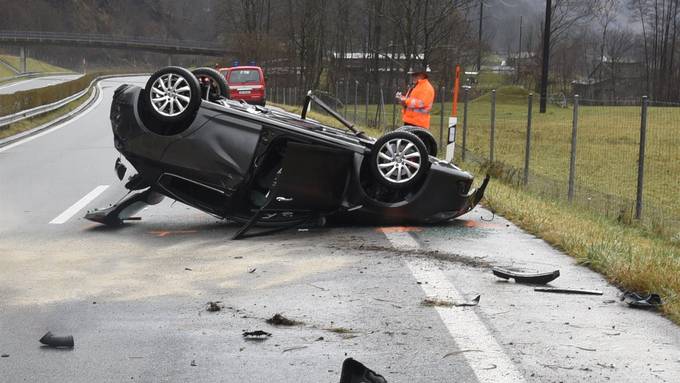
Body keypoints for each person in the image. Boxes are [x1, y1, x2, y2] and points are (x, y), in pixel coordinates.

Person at [395, 64, 435, 129]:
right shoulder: (415, 86)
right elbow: (410, 100)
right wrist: (401, 98)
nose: (413, 77)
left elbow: (421, 103)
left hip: (419, 124)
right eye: (412, 75)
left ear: (422, 75)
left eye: (415, 75)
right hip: (410, 121)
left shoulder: (427, 88)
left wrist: (405, 101)